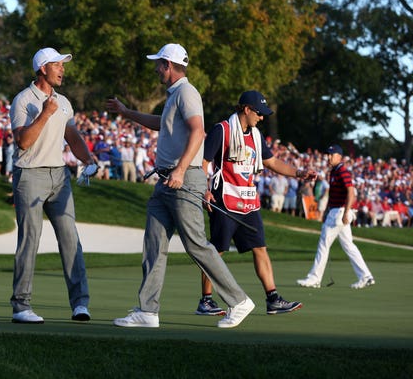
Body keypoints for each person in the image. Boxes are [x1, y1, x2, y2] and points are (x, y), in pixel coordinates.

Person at [109, 43, 255, 329]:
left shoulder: (187, 92)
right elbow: (161, 124)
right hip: (166, 182)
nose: (156, 69)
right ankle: (147, 310)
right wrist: (127, 113)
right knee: (153, 244)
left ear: (169, 65)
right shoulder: (175, 95)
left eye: (159, 64)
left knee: (196, 244)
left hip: (183, 177)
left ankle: (238, 300)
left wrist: (179, 169)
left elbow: (198, 131)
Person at [196, 90, 317, 317]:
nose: (261, 118)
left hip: (249, 202)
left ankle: (273, 299)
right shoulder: (221, 130)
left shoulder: (256, 135)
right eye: (259, 113)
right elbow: (204, 161)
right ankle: (206, 300)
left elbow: (272, 162)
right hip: (225, 200)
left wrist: (299, 173)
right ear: (247, 109)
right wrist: (204, 190)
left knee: (260, 248)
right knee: (216, 251)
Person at [9, 47, 97, 324]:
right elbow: (23, 141)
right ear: (43, 68)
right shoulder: (23, 100)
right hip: (29, 175)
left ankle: (80, 304)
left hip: (59, 177)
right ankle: (21, 306)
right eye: (57, 65)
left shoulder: (64, 101)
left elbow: (72, 135)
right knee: (30, 240)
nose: (62, 70)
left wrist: (89, 159)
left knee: (70, 238)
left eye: (63, 65)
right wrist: (45, 114)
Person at [297, 144, 375, 289]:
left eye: (331, 155)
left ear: (339, 157)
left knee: (323, 244)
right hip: (336, 212)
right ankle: (366, 276)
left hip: (339, 213)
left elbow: (351, 192)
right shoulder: (334, 172)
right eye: (328, 155)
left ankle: (314, 278)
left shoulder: (342, 171)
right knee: (348, 246)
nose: (328, 157)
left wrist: (346, 212)